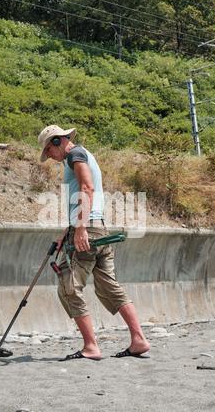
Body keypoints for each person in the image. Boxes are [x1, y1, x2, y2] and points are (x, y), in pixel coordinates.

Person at [38, 124, 150, 361]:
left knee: (68, 287)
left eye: (49, 150)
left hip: (87, 228)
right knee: (109, 286)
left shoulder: (74, 155)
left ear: (58, 142)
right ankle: (138, 339)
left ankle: (91, 346)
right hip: (98, 228)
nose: (50, 157)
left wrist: (79, 229)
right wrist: (67, 232)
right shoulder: (83, 154)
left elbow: (87, 188)